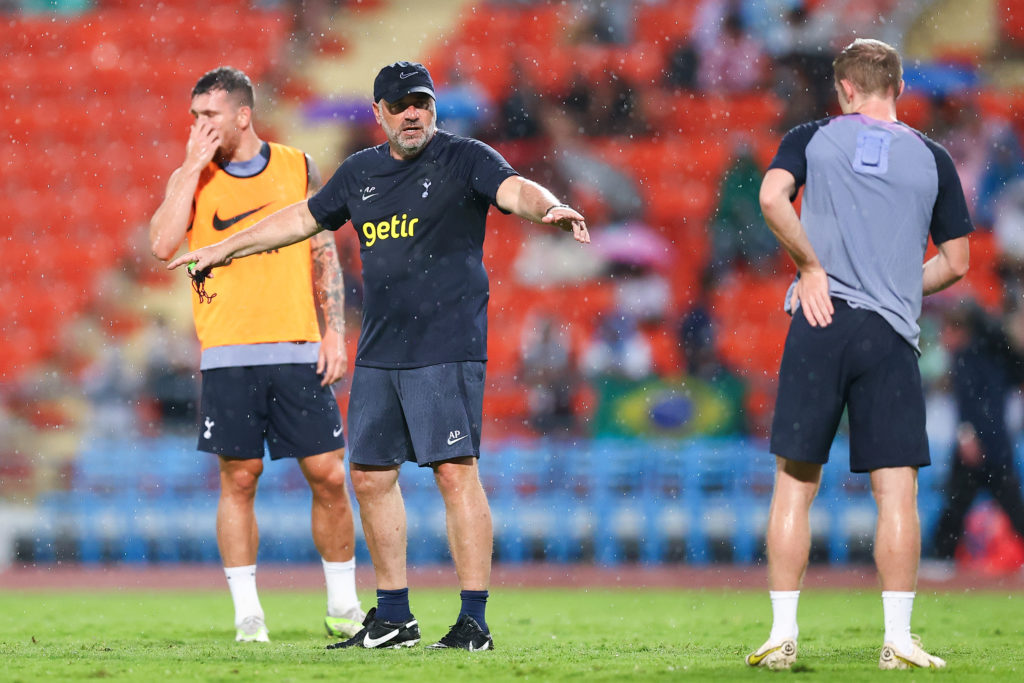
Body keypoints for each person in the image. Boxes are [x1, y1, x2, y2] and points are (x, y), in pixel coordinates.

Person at [166, 61, 590, 651]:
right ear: (380, 114)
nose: (412, 113)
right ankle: (394, 616)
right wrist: (225, 249)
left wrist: (548, 207)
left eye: (421, 102)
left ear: (434, 107)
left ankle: (474, 621)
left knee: (454, 473)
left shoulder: (466, 157)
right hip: (381, 352)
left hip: (446, 347)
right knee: (367, 478)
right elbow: (298, 221)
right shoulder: (358, 173)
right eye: (400, 104)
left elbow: (514, 188)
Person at [746, 39, 971, 671]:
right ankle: (897, 639)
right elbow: (957, 262)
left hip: (820, 322)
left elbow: (769, 198)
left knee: (794, 487)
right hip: (889, 334)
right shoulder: (934, 157)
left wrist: (810, 266)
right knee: (895, 493)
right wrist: (897, 286)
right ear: (897, 87)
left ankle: (782, 634)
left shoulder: (814, 137)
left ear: (845, 89)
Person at [148, 66, 364, 643]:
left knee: (328, 476)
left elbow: (323, 251)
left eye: (209, 114)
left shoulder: (297, 166)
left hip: (297, 346)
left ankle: (343, 602)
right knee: (239, 479)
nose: (198, 125)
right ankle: (249, 613)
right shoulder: (191, 176)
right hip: (227, 353)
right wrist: (190, 168)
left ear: (243, 115)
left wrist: (334, 330)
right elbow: (162, 244)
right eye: (193, 115)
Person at [927, 303, 1024, 573]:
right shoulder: (997, 356)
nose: (943, 338)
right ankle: (941, 557)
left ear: (960, 330)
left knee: (960, 504)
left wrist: (967, 435)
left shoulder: (966, 358)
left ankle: (940, 558)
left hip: (980, 445)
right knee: (1004, 504)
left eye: (946, 330)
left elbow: (968, 403)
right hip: (996, 444)